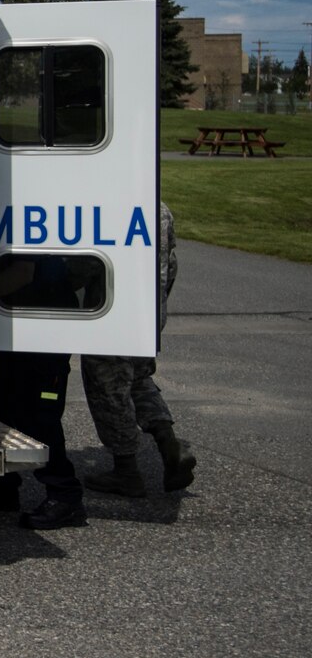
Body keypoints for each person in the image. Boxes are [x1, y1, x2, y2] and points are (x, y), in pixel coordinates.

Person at [0, 256, 85, 529]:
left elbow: (22, 272)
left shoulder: (23, 222)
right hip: (11, 323)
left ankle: (65, 496)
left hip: (41, 324)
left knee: (38, 417)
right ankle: (0, 488)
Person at [80, 202, 197, 496]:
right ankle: (169, 445)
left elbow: (84, 269)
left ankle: (126, 471)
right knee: (138, 379)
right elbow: (171, 265)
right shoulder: (160, 209)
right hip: (147, 313)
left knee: (108, 390)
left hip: (111, 315)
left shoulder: (104, 208)